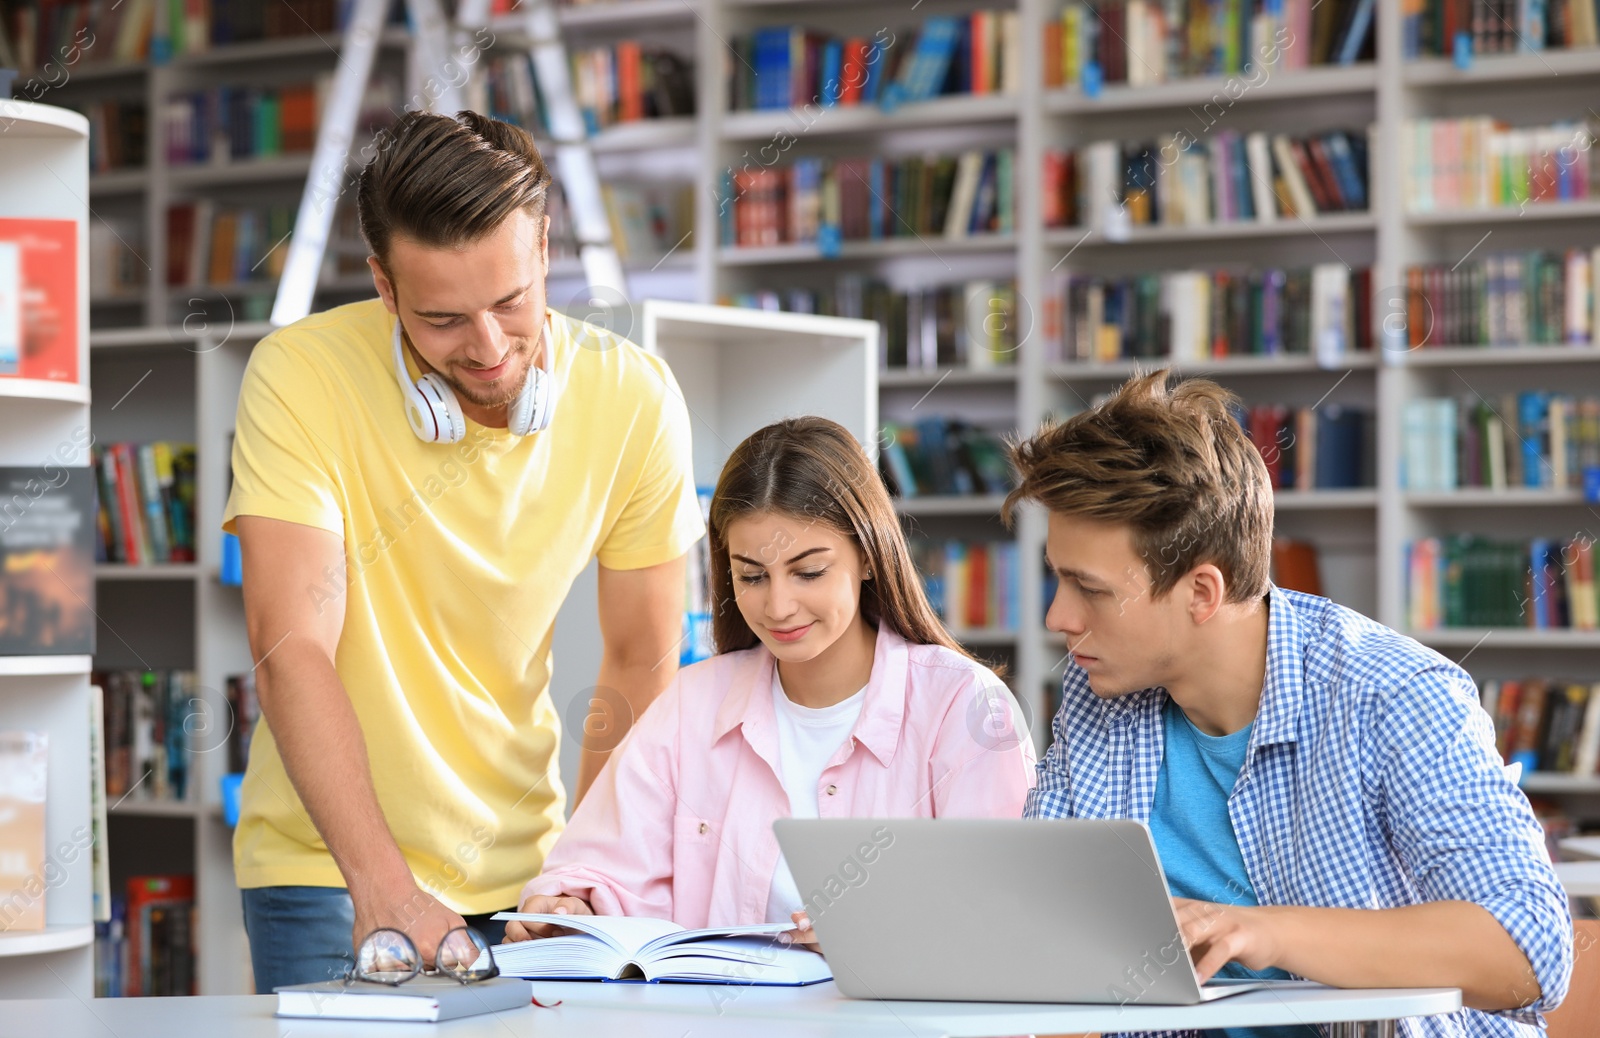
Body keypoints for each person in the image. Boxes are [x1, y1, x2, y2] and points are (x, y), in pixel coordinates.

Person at [223, 110, 704, 991]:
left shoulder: (636, 399)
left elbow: (641, 657)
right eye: (443, 318)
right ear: (383, 285)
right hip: (330, 873)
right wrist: (383, 884)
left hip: (531, 877)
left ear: (545, 248)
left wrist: (586, 872)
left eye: (512, 303)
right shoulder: (300, 377)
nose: (487, 350)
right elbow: (291, 646)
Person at [1008, 370, 1572, 1036]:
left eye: (1090, 589)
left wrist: (1263, 934)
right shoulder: (1101, 689)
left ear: (1202, 593)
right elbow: (1040, 925)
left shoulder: (1394, 694)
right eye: (1057, 579)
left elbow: (1534, 952)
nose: (1057, 617)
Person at [502, 417, 1035, 943]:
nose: (778, 607)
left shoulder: (963, 707)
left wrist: (882, 932)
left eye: (809, 572)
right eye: (752, 576)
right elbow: (599, 873)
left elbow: (1005, 921)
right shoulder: (692, 704)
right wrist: (569, 905)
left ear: (869, 555)